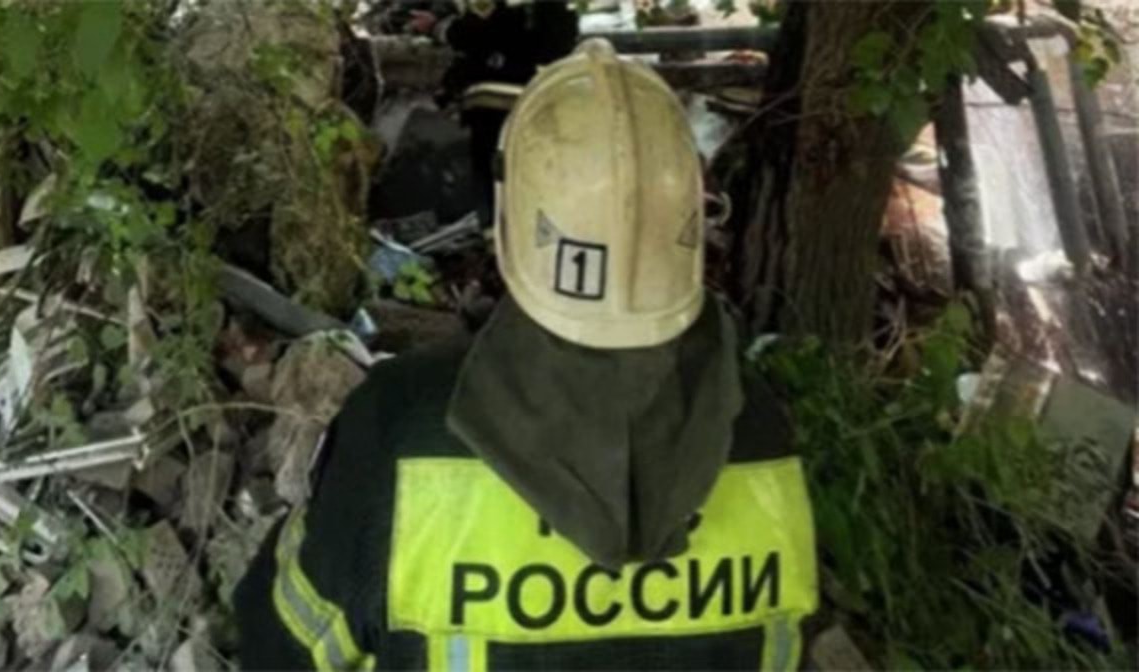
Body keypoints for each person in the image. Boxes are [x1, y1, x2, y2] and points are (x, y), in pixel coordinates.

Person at [234, 40, 817, 671]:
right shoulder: (758, 424)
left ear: (512, 218)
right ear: (690, 224)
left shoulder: (402, 423)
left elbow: (280, 649)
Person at [408, 0, 579, 226]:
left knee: (492, 173)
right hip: (544, 91)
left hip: (497, 96)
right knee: (536, 171)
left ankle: (495, 234)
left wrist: (436, 27)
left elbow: (474, 33)